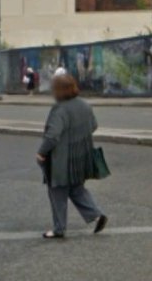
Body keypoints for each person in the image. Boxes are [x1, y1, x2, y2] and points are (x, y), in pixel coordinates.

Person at [36, 72, 107, 240]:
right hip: (81, 157)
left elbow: (52, 136)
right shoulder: (84, 105)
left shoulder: (59, 109)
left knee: (57, 192)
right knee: (76, 189)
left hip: (61, 160)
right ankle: (97, 215)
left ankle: (59, 229)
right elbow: (94, 126)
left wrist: (41, 152)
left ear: (58, 90)